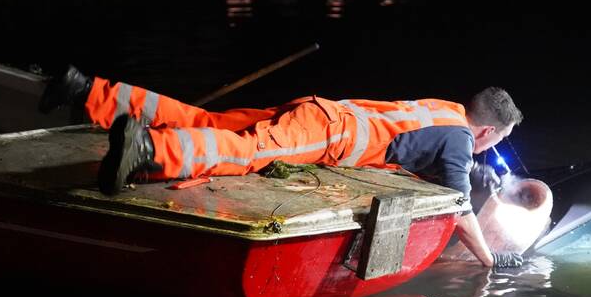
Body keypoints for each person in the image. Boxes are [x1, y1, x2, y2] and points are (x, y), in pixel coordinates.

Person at [39, 66, 526, 269]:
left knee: (209, 120)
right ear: (486, 132)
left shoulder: (443, 109)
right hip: (329, 132)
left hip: (320, 111)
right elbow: (461, 209)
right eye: (495, 143)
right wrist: (491, 261)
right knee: (246, 153)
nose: (487, 151)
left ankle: (84, 89)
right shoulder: (462, 142)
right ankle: (147, 152)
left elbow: (418, 151)